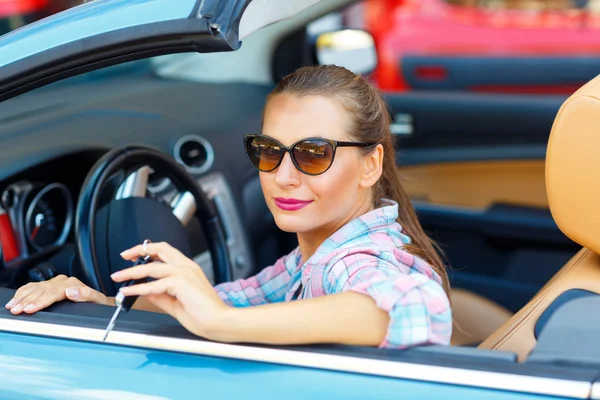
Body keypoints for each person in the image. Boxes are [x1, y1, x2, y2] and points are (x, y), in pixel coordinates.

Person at [5, 65, 452, 349]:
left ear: (370, 164)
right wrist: (97, 303)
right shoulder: (309, 258)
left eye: (314, 154)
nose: (283, 176)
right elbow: (237, 302)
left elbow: (417, 305)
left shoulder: (356, 258)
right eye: (269, 150)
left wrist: (216, 321)